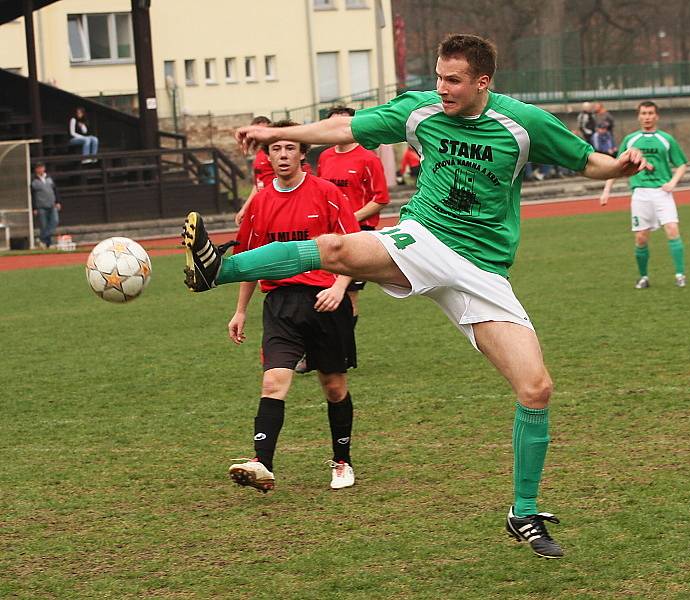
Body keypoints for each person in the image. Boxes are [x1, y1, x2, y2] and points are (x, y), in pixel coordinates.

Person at [182, 33, 651, 559]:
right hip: (425, 239)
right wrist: (276, 131)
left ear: (483, 81)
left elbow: (587, 161)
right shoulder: (421, 111)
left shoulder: (522, 124)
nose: (442, 88)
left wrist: (621, 166)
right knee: (336, 248)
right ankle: (218, 267)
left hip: (483, 270)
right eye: (438, 76)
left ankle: (523, 512)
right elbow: (343, 127)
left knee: (535, 388)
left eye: (453, 80)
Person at [222, 120, 361, 494]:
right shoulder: (261, 202)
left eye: (290, 149)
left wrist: (339, 285)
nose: (283, 156)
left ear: (303, 154)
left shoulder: (328, 193)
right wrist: (240, 311)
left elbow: (356, 248)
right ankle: (262, 463)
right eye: (276, 150)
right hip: (281, 305)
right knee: (273, 382)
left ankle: (343, 459)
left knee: (333, 388)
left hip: (326, 303)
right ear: (267, 156)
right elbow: (251, 261)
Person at [599, 101, 688, 289]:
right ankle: (643, 277)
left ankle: (680, 275)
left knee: (672, 230)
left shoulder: (666, 139)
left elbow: (681, 164)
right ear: (639, 116)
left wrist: (672, 182)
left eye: (650, 113)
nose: (647, 116)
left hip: (662, 193)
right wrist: (607, 190)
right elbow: (616, 167)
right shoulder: (631, 140)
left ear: (657, 116)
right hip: (640, 193)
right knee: (641, 238)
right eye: (644, 113)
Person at [317, 106, 390, 326]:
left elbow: (380, 198)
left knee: (348, 295)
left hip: (357, 234)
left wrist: (350, 218)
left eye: (342, 124)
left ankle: (343, 347)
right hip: (329, 233)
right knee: (321, 290)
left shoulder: (368, 158)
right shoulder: (325, 156)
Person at [235, 116, 314, 226]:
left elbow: (303, 177)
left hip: (284, 203)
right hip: (265, 204)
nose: (260, 134)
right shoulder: (261, 154)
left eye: (263, 130)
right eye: (257, 130)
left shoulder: (283, 154)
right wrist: (245, 208)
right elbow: (258, 183)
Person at [30, 162, 61, 248]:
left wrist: (58, 201)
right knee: (44, 225)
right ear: (36, 169)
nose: (40, 169)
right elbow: (32, 195)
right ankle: (48, 243)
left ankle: (42, 239)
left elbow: (55, 190)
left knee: (55, 221)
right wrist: (34, 207)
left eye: (41, 167)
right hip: (41, 206)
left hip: (52, 204)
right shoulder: (33, 181)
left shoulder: (49, 178)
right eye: (38, 168)